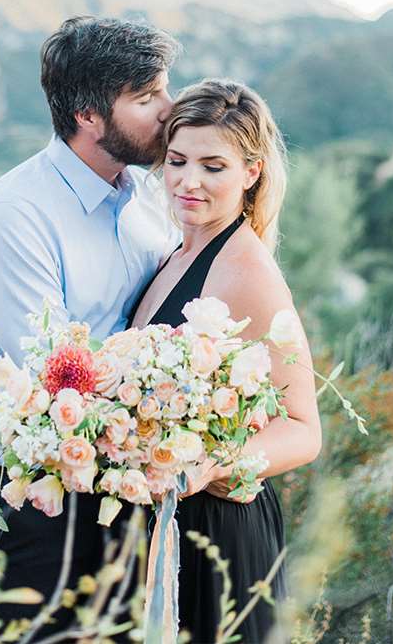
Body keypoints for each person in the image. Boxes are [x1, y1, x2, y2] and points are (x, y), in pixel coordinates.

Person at [0, 16, 181, 634]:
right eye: (147, 97)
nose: (169, 109)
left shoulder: (150, 198)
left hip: (111, 490)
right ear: (89, 117)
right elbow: (55, 376)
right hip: (15, 498)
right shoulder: (15, 216)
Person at [127, 79, 322, 643]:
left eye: (213, 166)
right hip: (169, 525)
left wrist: (212, 464)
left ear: (251, 172)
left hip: (220, 529)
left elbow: (303, 429)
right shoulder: (177, 251)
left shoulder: (248, 270)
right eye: (177, 161)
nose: (189, 181)